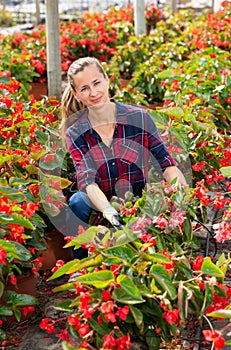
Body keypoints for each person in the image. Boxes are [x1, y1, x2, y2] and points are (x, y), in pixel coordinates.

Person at [60, 56, 187, 258]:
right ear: (75, 94)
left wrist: (182, 192)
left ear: (107, 80)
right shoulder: (76, 132)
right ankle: (81, 263)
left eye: (96, 83)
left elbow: (165, 163)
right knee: (77, 202)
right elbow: (88, 181)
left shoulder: (139, 117)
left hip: (135, 193)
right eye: (84, 89)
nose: (93, 93)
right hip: (97, 197)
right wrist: (108, 209)